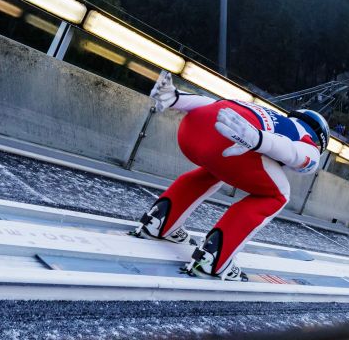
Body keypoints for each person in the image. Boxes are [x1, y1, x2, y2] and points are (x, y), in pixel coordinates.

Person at [131, 72, 328, 282]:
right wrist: (259, 140)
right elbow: (295, 154)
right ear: (320, 140)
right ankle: (214, 258)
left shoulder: (269, 113)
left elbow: (213, 104)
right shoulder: (307, 141)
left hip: (192, 130)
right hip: (232, 146)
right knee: (279, 194)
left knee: (213, 173)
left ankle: (160, 222)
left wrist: (177, 98)